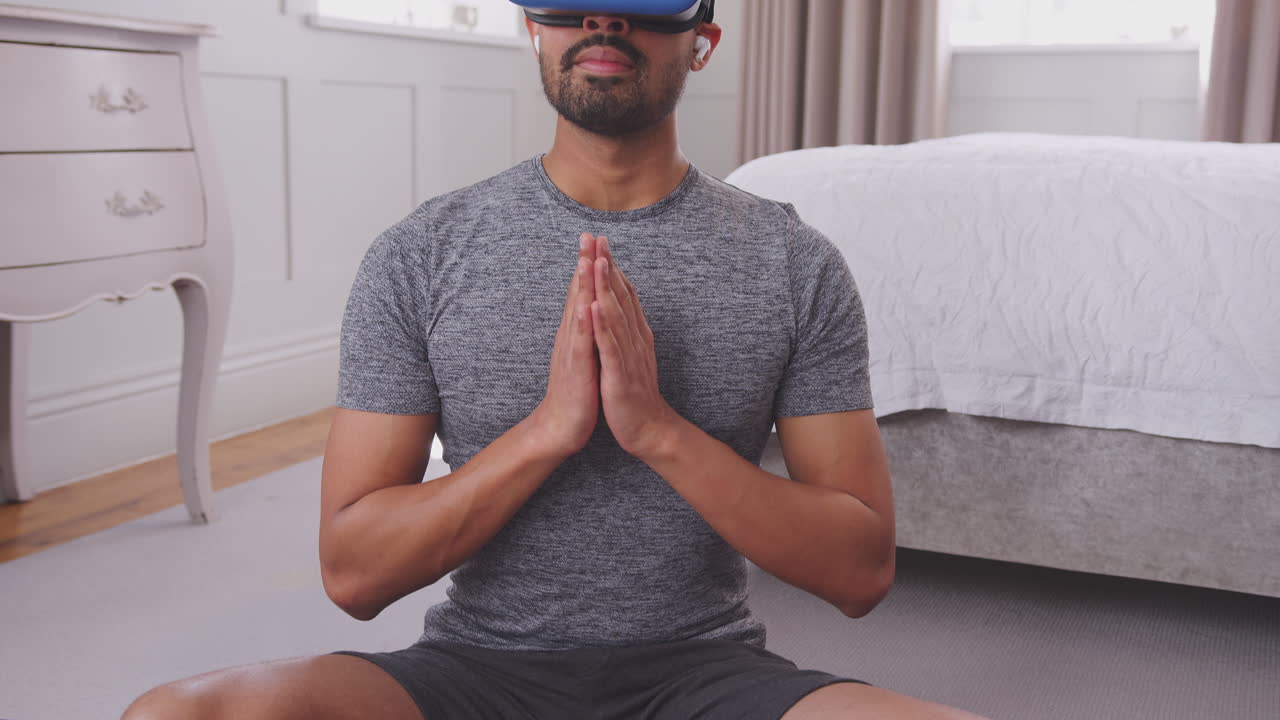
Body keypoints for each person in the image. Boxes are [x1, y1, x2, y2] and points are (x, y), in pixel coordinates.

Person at [121, 2, 988, 718]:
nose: (602, 18)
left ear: (702, 44)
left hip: (708, 679)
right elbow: (354, 572)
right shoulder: (421, 254)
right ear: (533, 31)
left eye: (644, 5)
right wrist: (546, 433)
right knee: (175, 715)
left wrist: (657, 431)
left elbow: (860, 571)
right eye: (567, 3)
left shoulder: (792, 263)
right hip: (472, 677)